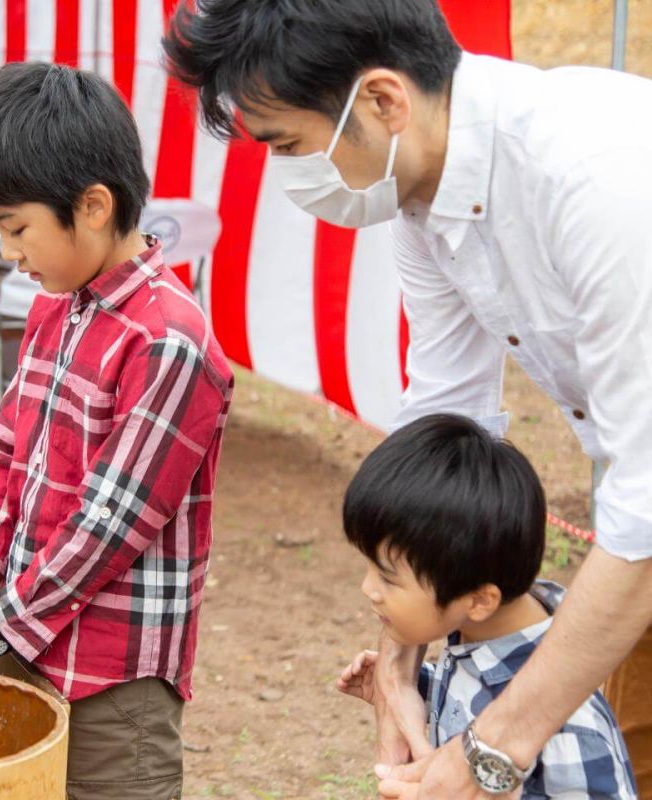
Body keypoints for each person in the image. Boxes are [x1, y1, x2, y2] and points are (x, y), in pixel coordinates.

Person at [163, 1, 652, 796]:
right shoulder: (423, 198)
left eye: (288, 144)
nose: (286, 172)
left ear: (384, 100)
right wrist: (398, 675)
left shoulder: (594, 179)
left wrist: (484, 757)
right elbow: (444, 429)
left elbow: (646, 502)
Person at [0, 62, 235, 799]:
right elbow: (6, 455)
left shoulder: (168, 342)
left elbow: (108, 527)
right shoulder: (57, 309)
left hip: (111, 673)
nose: (10, 252)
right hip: (25, 632)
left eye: (17, 228)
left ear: (93, 206)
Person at [336, 415, 636, 798]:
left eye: (388, 578)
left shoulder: (570, 729)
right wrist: (424, 686)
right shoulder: (477, 638)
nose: (368, 589)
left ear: (479, 599)